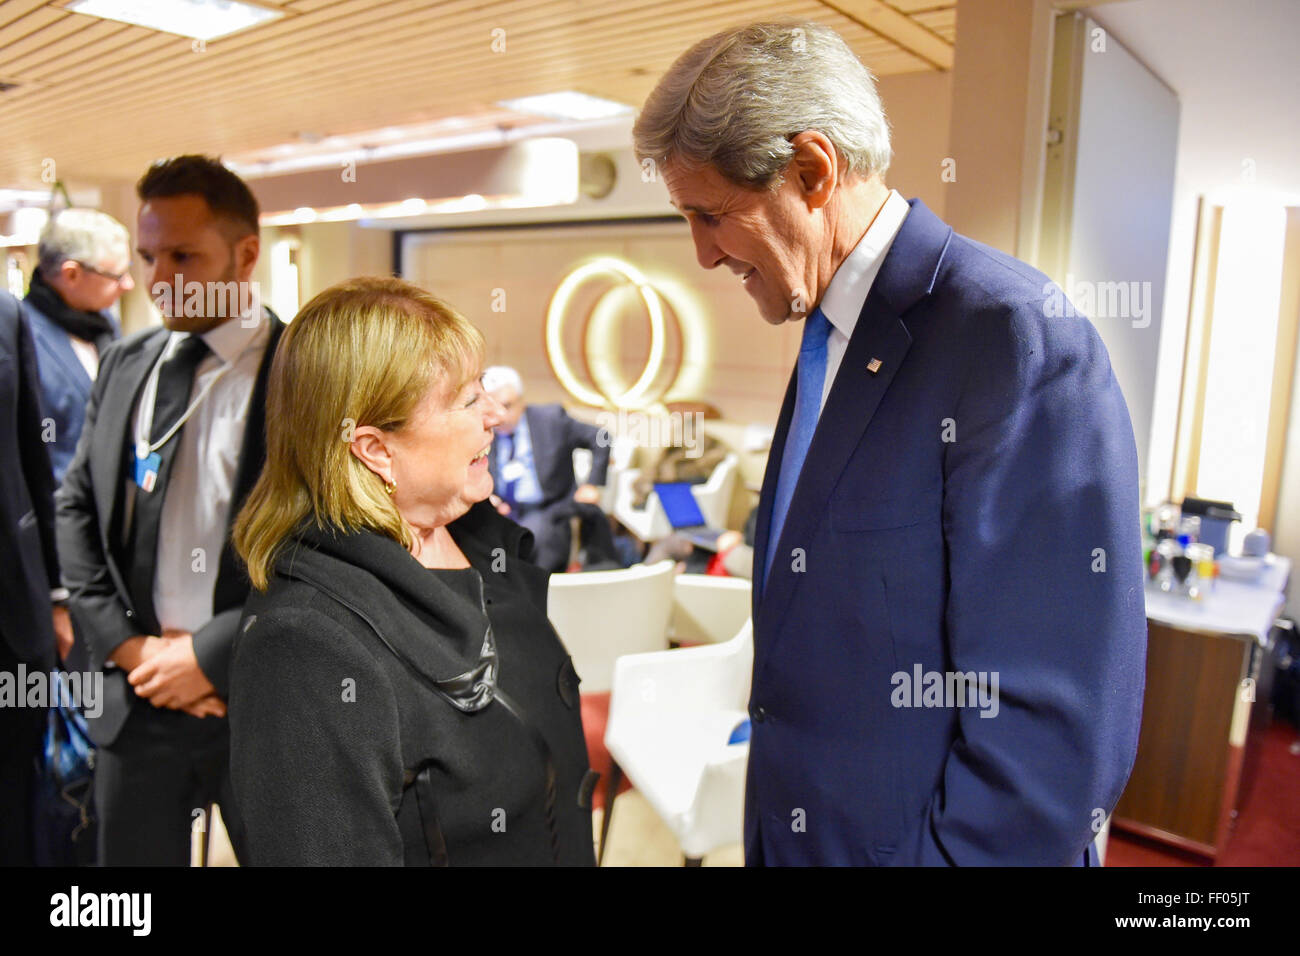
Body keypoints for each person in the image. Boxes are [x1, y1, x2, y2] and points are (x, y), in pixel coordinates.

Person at [634, 19, 1147, 865]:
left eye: (710, 215)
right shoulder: (826, 332)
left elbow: (1057, 739)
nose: (701, 254)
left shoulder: (1012, 338)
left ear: (811, 170)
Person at [229, 278, 596, 866]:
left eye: (484, 387)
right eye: (467, 399)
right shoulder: (305, 644)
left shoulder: (482, 542)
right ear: (375, 448)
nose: (497, 415)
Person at [56, 155, 285, 865]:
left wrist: (208, 655)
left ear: (246, 255)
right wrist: (132, 649)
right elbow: (76, 510)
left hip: (264, 701)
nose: (160, 278)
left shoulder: (306, 373)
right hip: (138, 700)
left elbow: (334, 547)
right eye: (150, 255)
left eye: (184, 255)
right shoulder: (130, 362)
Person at [0, 291, 63, 865]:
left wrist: (59, 595)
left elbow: (33, 458)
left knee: (19, 801)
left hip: (13, 618)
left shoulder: (5, 312)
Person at [25, 208, 132, 486]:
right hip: (59, 513)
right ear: (71, 274)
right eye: (117, 276)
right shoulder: (22, 337)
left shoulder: (105, 325)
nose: (129, 284)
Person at [483, 365, 618, 572]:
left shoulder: (551, 419)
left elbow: (602, 437)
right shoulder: (483, 429)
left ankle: (534, 594)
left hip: (547, 508)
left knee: (532, 538)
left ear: (521, 402)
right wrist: (487, 497)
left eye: (507, 406)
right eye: (492, 408)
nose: (499, 416)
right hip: (501, 510)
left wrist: (592, 484)